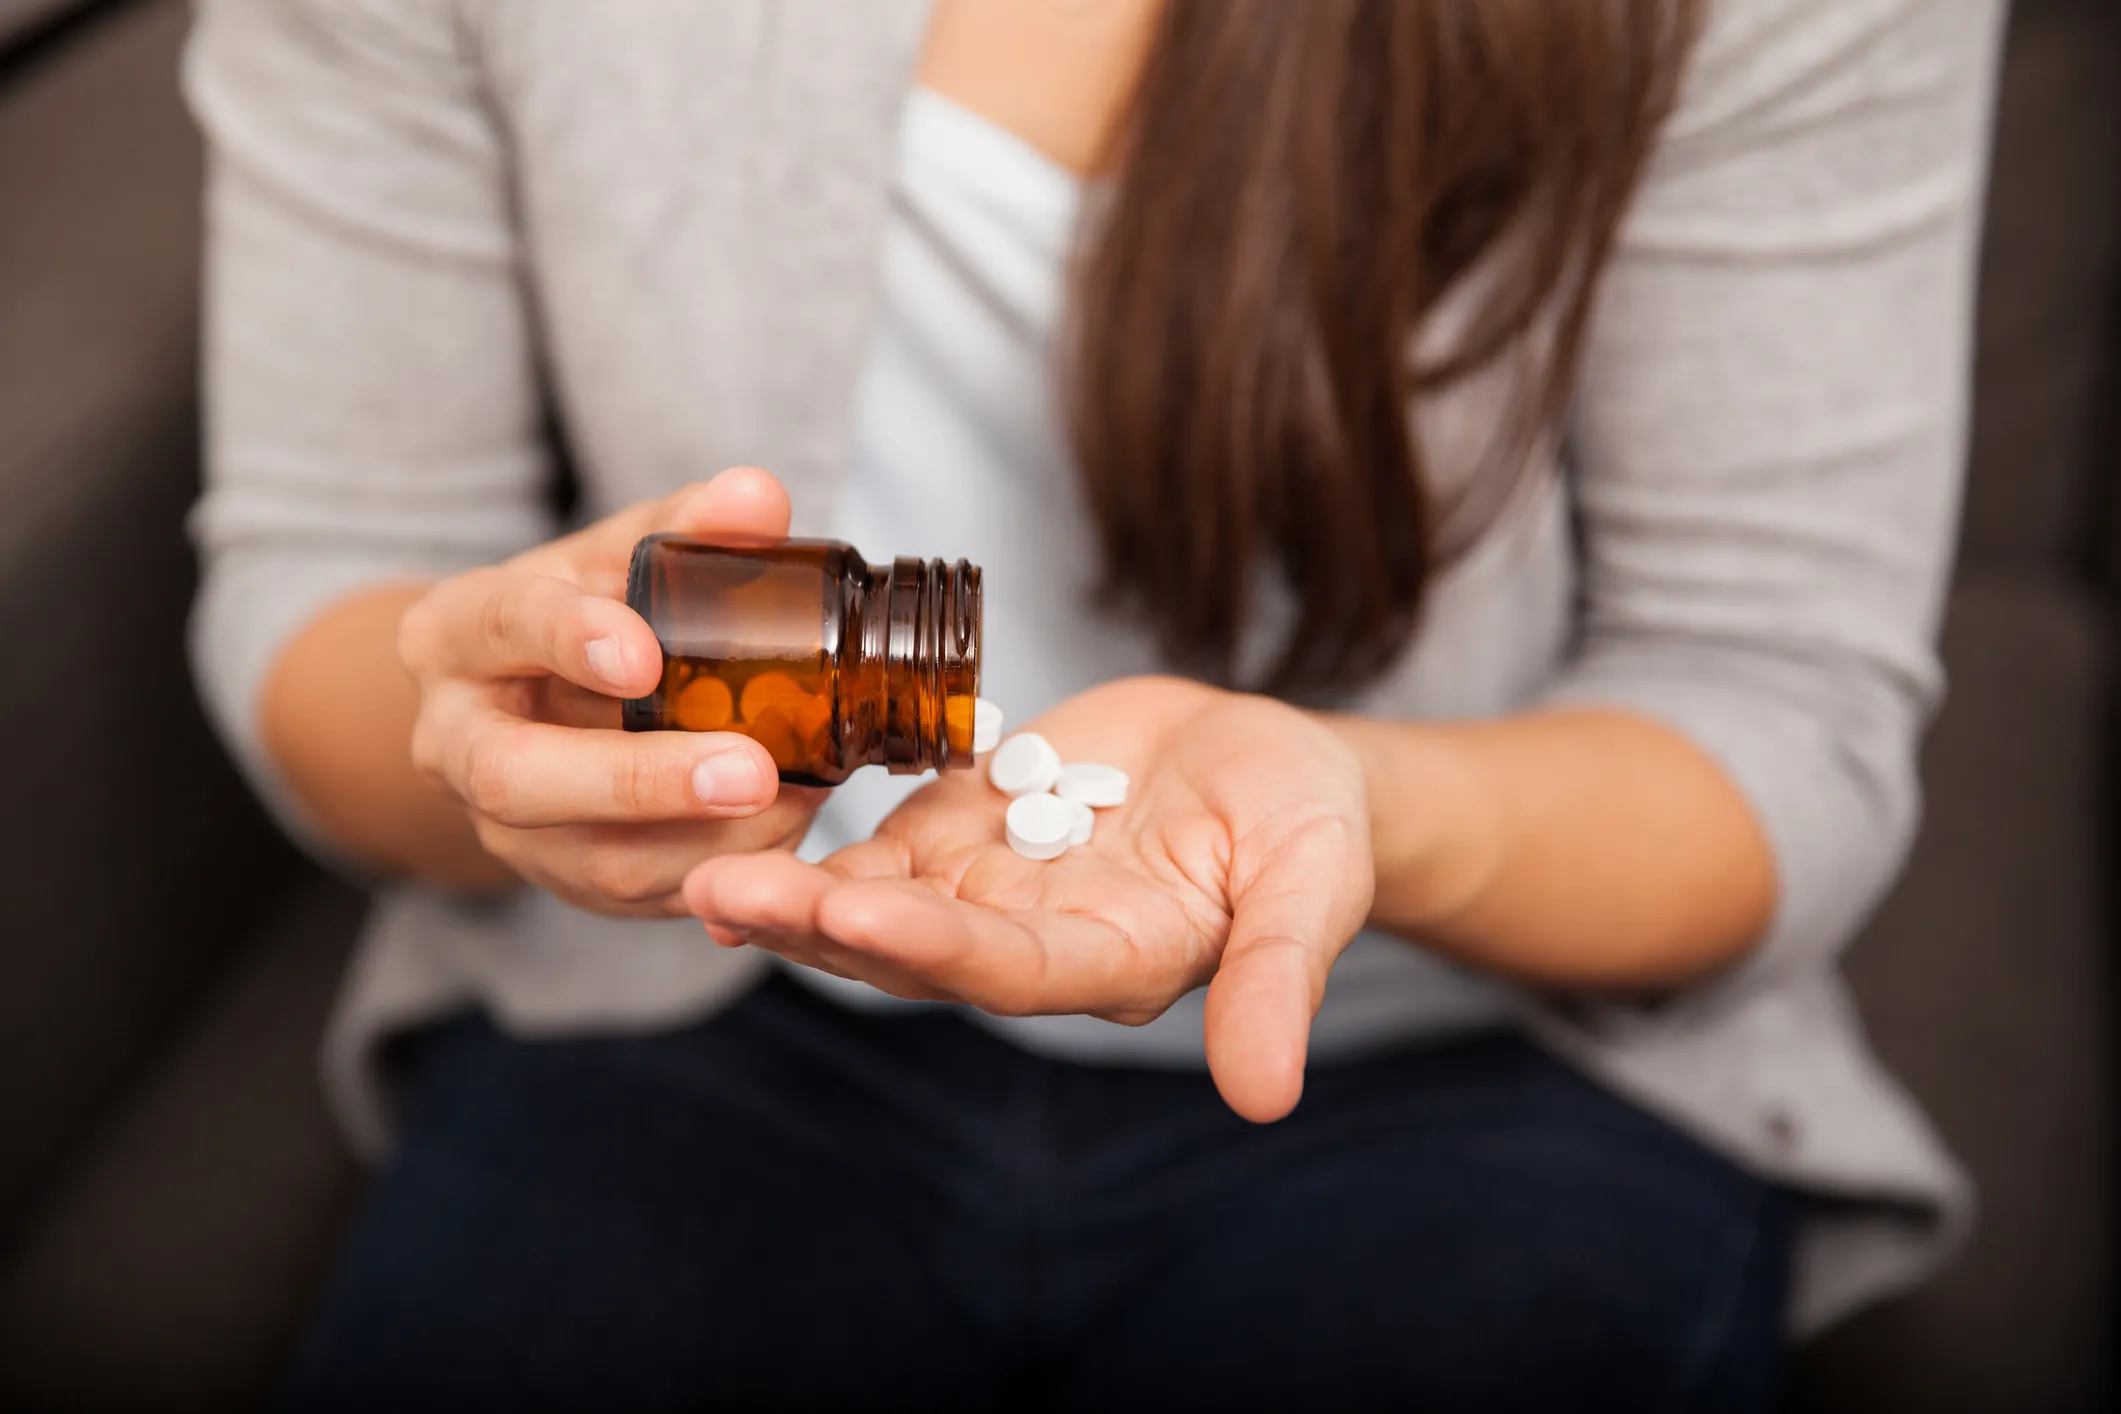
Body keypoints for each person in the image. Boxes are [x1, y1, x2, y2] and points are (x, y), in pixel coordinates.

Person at [183, 0, 2002, 1408]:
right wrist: (528, 743)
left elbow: (1780, 710)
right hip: (696, 992)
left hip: (1482, 1052)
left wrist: (1347, 806)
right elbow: (331, 565)